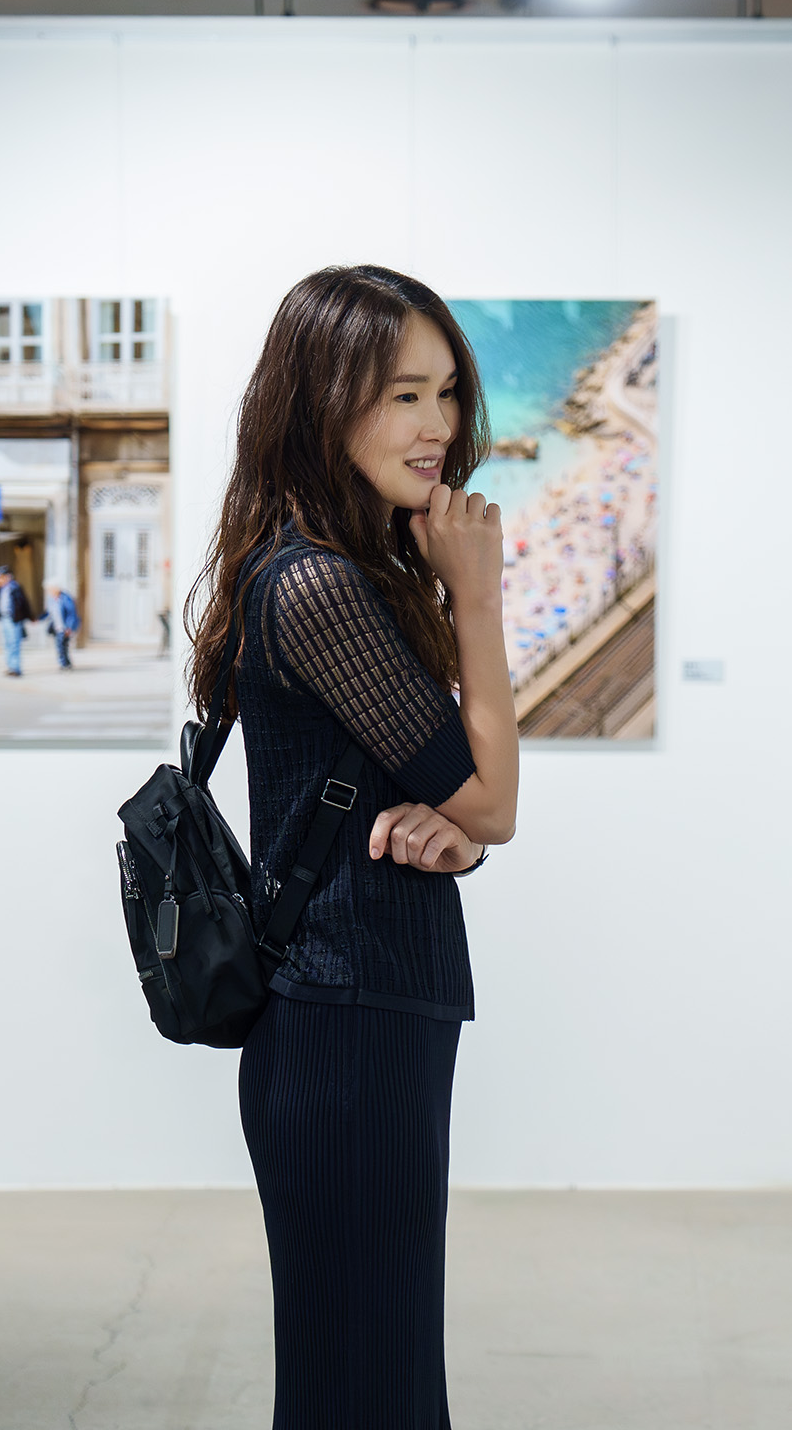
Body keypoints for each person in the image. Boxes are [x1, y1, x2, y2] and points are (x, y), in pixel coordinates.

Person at [186, 264, 519, 1429]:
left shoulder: (346, 567)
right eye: (402, 396)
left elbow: (455, 807)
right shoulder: (318, 585)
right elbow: (494, 796)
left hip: (367, 1009)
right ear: (323, 404)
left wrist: (455, 835)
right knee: (364, 1389)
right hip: (344, 1022)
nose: (438, 427)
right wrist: (479, 597)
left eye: (446, 392)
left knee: (380, 1380)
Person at [0, 566, 28, 677]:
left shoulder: (14, 588)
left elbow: (23, 604)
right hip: (5, 618)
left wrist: (27, 617)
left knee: (14, 643)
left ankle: (15, 668)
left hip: (13, 619)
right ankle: (10, 666)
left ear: (7, 577)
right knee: (8, 643)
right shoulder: (3, 589)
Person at [47, 583, 79, 670]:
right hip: (57, 626)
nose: (50, 592)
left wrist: (69, 627)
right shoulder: (51, 599)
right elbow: (49, 612)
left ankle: (64, 664)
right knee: (61, 646)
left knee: (62, 646)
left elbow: (71, 614)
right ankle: (66, 663)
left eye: (51, 590)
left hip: (64, 627)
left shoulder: (66, 598)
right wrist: (39, 618)